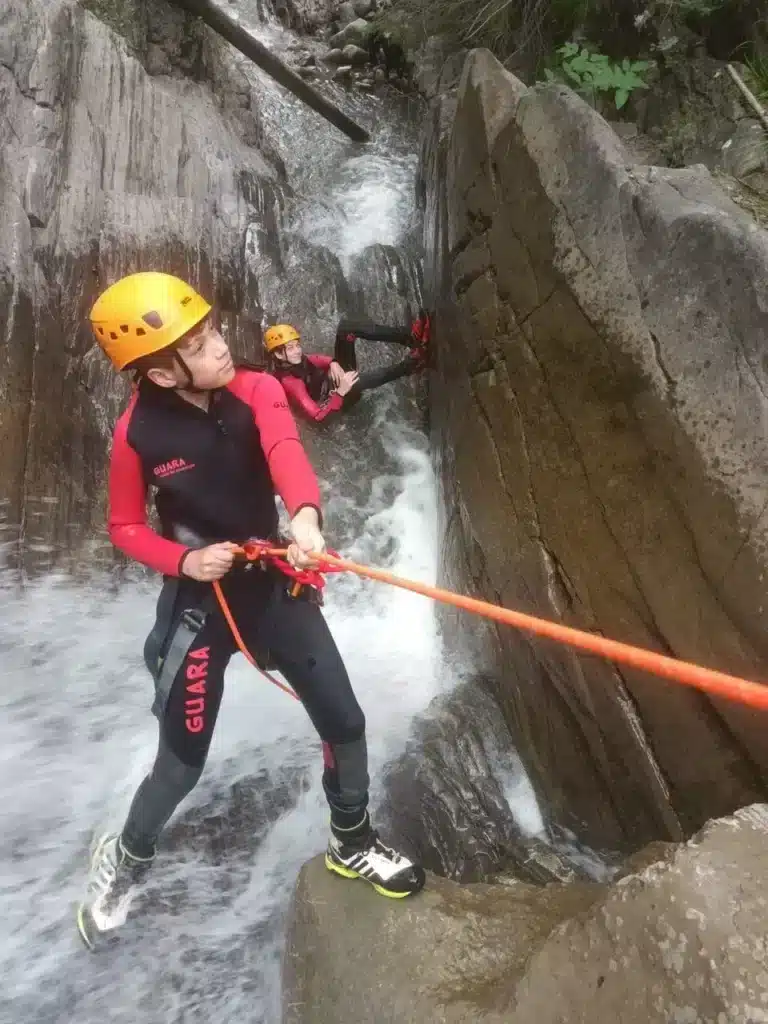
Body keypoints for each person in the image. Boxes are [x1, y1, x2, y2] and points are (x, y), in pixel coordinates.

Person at [77, 271, 425, 950]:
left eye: (211, 332)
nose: (221, 347)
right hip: (199, 608)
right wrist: (183, 562)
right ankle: (127, 856)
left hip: (270, 582)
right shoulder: (136, 434)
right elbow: (123, 527)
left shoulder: (259, 388)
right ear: (161, 373)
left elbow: (285, 450)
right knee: (181, 764)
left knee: (345, 719)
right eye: (200, 344)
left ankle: (351, 839)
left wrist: (304, 519)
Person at [264, 312, 430, 423]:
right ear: (279, 355)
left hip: (333, 383)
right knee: (354, 383)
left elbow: (315, 359)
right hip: (336, 403)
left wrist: (333, 362)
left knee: (346, 328)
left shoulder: (295, 360)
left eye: (297, 345)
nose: (298, 351)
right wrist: (340, 392)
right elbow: (318, 417)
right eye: (291, 348)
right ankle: (412, 365)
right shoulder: (291, 382)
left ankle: (409, 337)